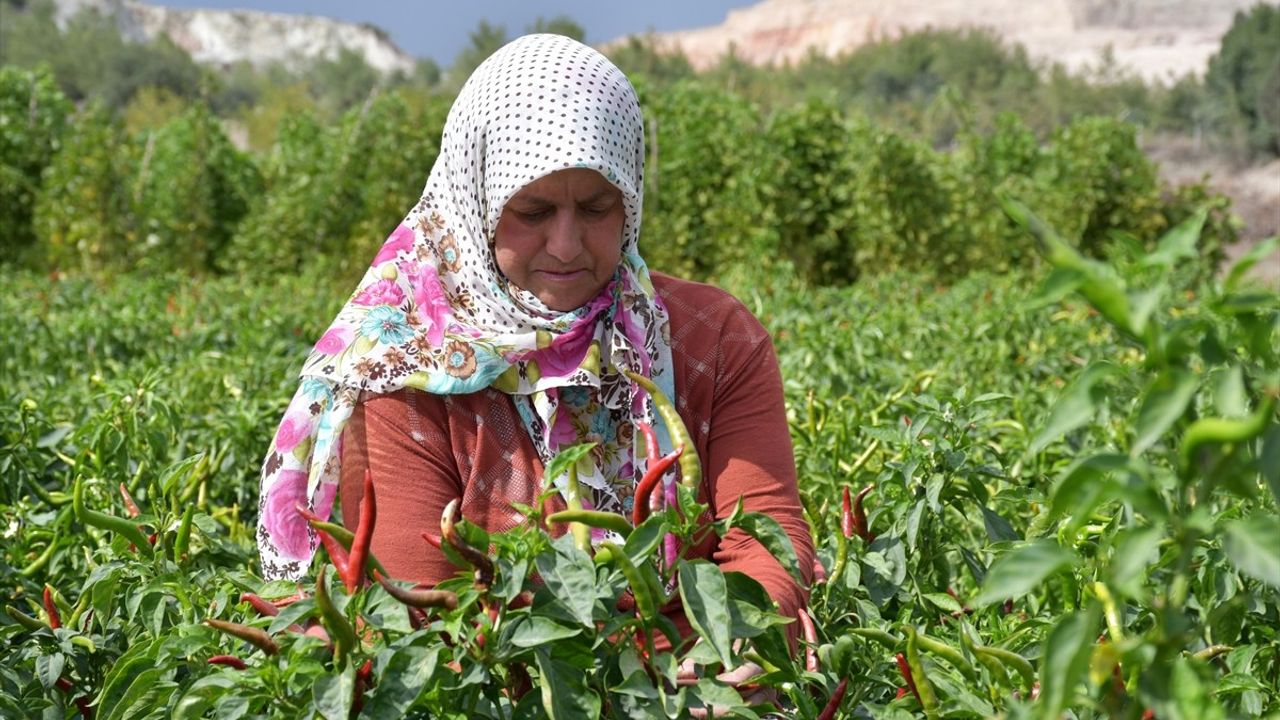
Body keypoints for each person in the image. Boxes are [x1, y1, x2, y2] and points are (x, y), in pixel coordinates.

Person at [256, 33, 813, 649]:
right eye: (534, 212)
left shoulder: (713, 340)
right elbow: (422, 624)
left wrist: (743, 645)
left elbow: (763, 537)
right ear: (480, 206)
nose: (568, 245)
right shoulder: (405, 371)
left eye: (598, 207)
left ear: (629, 205)